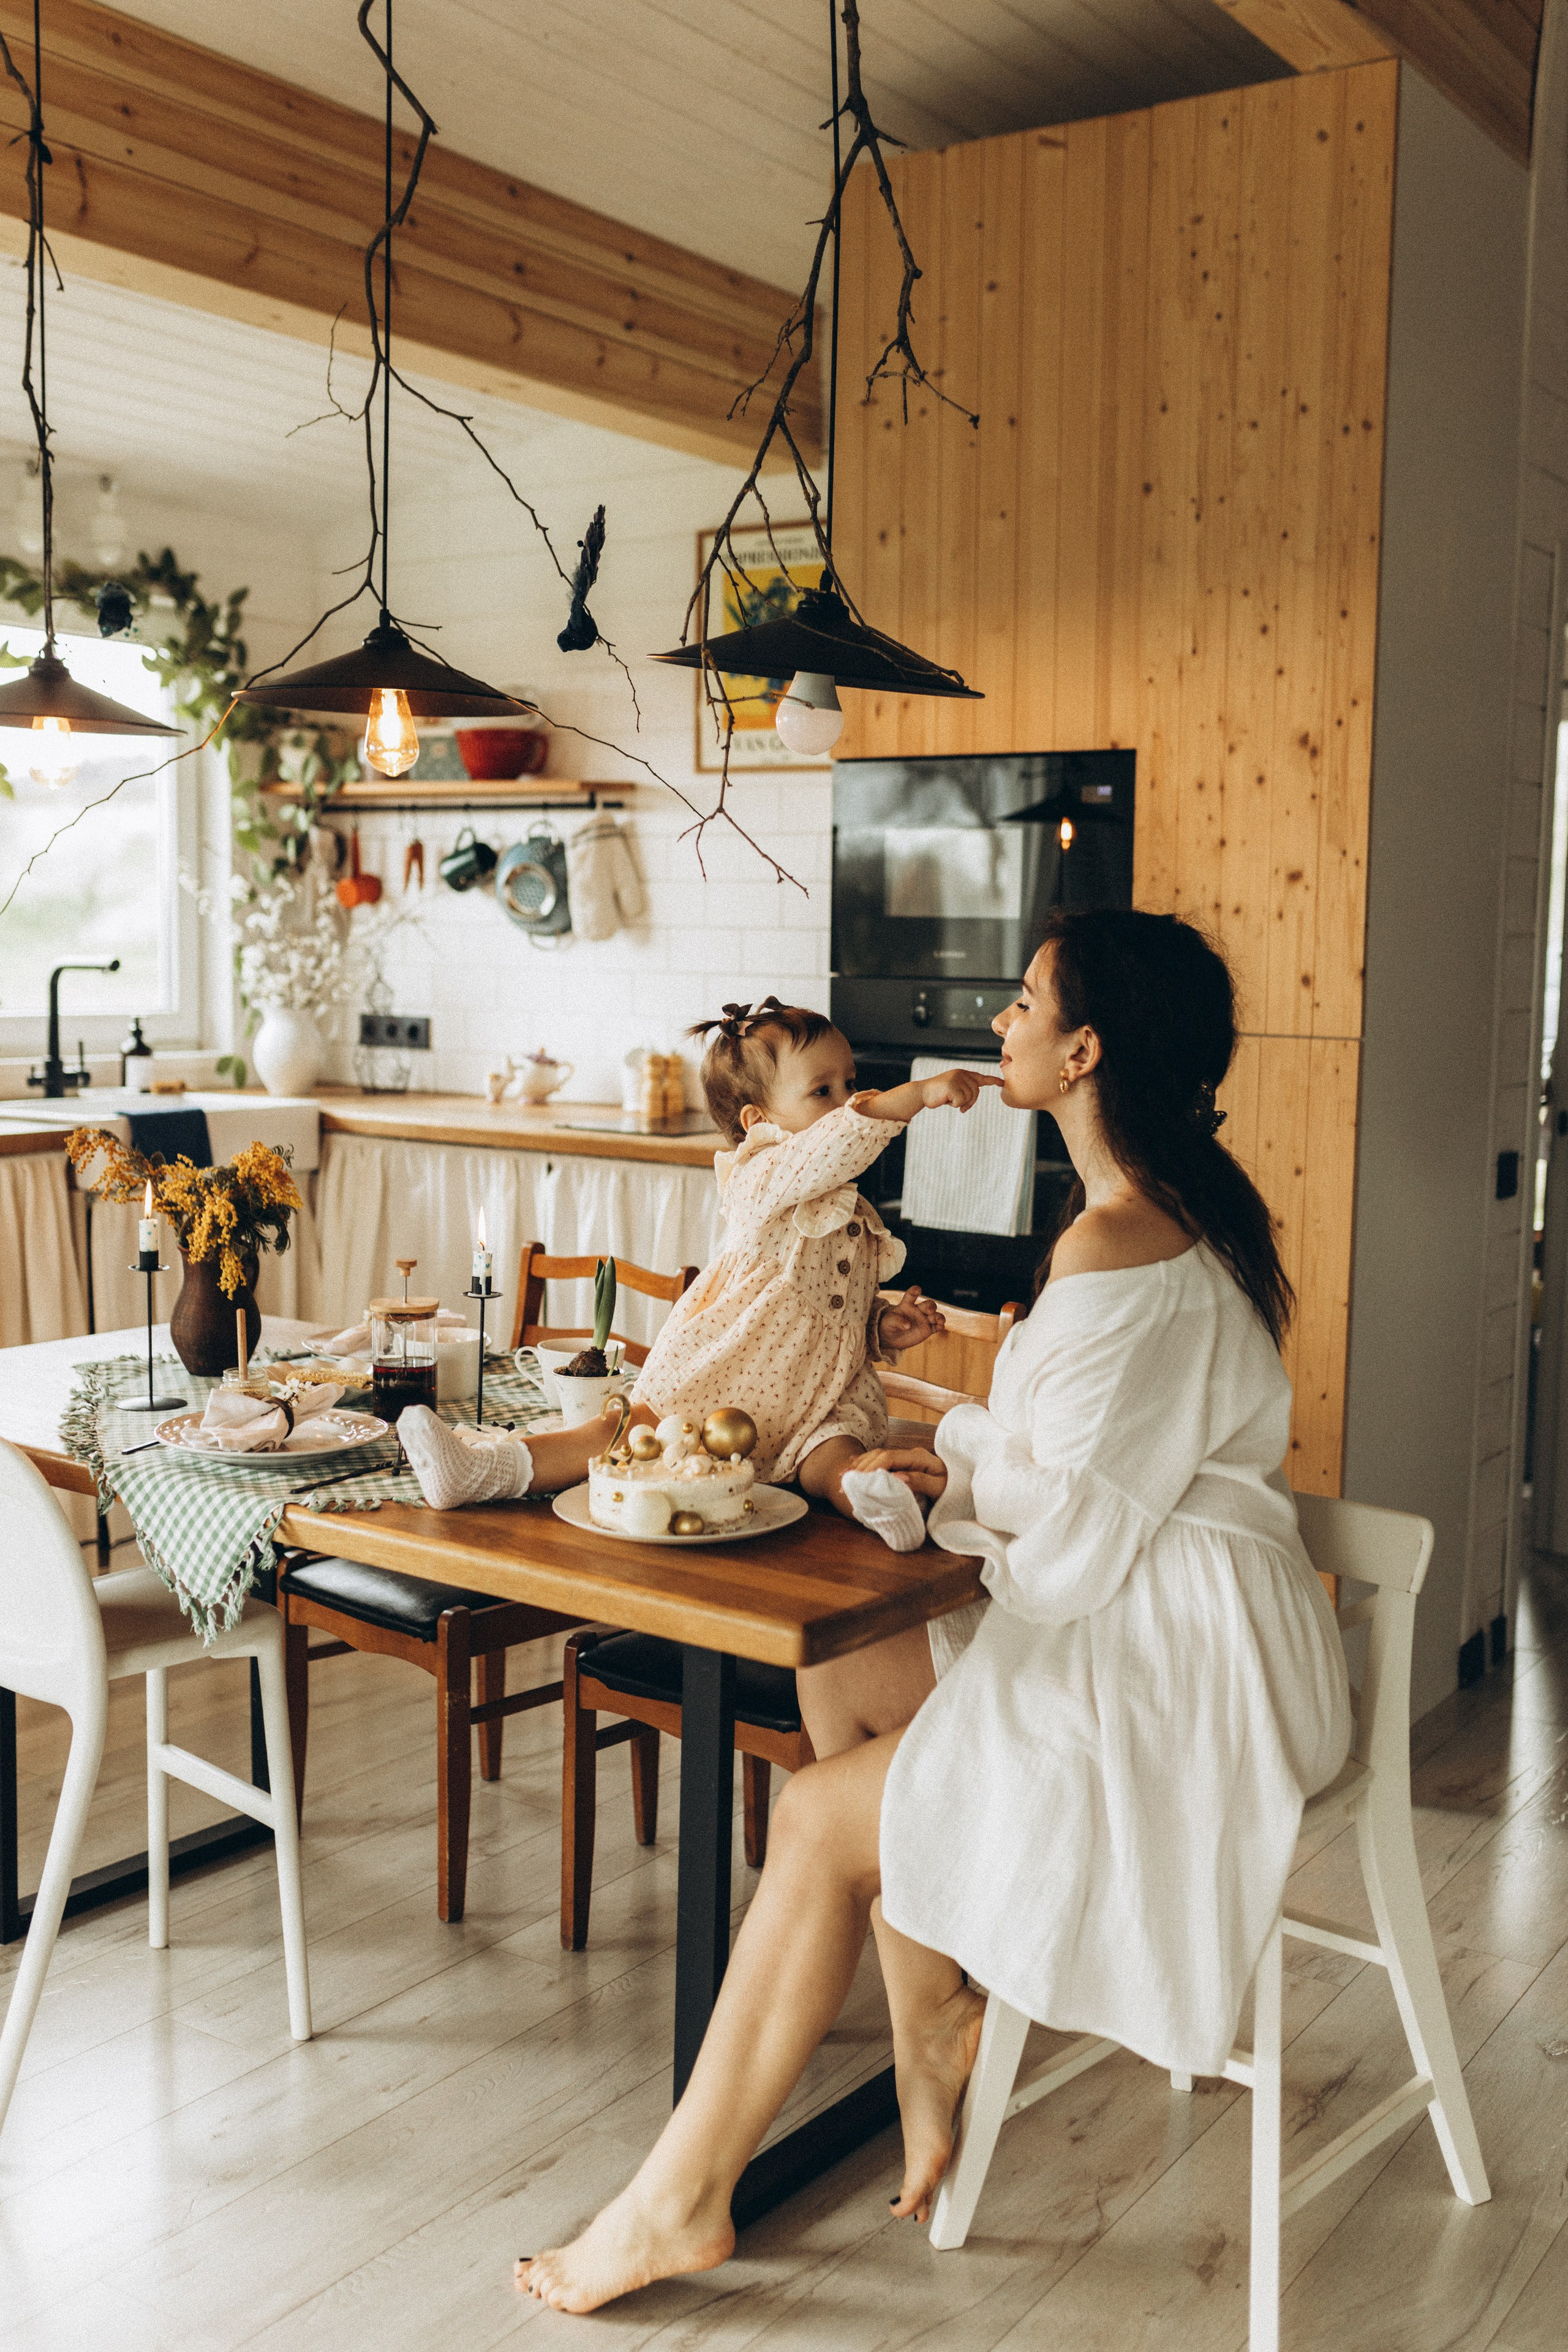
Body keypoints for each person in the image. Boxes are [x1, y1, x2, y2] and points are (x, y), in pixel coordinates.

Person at [516, 909, 1353, 2316]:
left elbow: (1073, 1545)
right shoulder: (1179, 1206)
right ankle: (931, 2020)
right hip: (1199, 1617)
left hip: (1178, 1673)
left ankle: (678, 2197)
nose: (1003, 1024)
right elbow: (1088, 1476)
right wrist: (960, 1439)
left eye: (1027, 1004)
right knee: (850, 1688)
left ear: (1083, 1047)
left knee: (817, 1812)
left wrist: (961, 1460)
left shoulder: (1112, 1245)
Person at [627, 996, 1000, 1550]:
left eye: (849, 1084)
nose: (850, 1102)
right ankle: (505, 1467)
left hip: (818, 1402)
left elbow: (827, 1302)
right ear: (759, 1123)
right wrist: (917, 1095)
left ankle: (879, 1503)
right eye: (822, 1091)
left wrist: (879, 1324)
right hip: (728, 1386)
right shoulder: (762, 1175)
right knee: (626, 1431)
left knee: (837, 1459)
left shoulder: (838, 1202)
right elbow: (838, 1143)